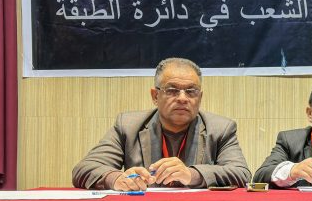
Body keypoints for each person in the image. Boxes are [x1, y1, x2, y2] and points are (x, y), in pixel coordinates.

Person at [72, 58, 251, 190]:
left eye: (191, 91)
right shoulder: (128, 126)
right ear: (155, 96)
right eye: (172, 90)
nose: (182, 98)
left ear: (200, 97)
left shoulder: (220, 129)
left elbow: (241, 173)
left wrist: (192, 175)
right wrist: (117, 179)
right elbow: (84, 169)